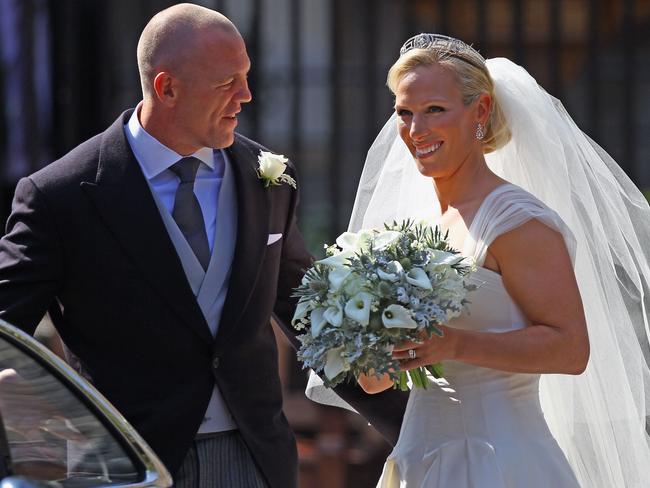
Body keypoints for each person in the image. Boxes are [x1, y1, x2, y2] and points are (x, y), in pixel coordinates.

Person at [0, 4, 408, 487]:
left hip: (255, 459)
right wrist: (42, 450)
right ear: (166, 87)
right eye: (226, 83)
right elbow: (9, 340)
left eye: (246, 77)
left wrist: (411, 427)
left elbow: (308, 313)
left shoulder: (268, 179)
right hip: (128, 467)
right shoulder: (60, 196)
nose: (246, 96)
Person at [345, 34, 650, 487]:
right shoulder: (409, 230)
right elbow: (374, 382)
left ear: (480, 112)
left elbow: (571, 349)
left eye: (435, 111)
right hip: (419, 458)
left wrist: (454, 344)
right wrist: (356, 337)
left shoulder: (518, 222)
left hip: (501, 460)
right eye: (404, 114)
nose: (416, 131)